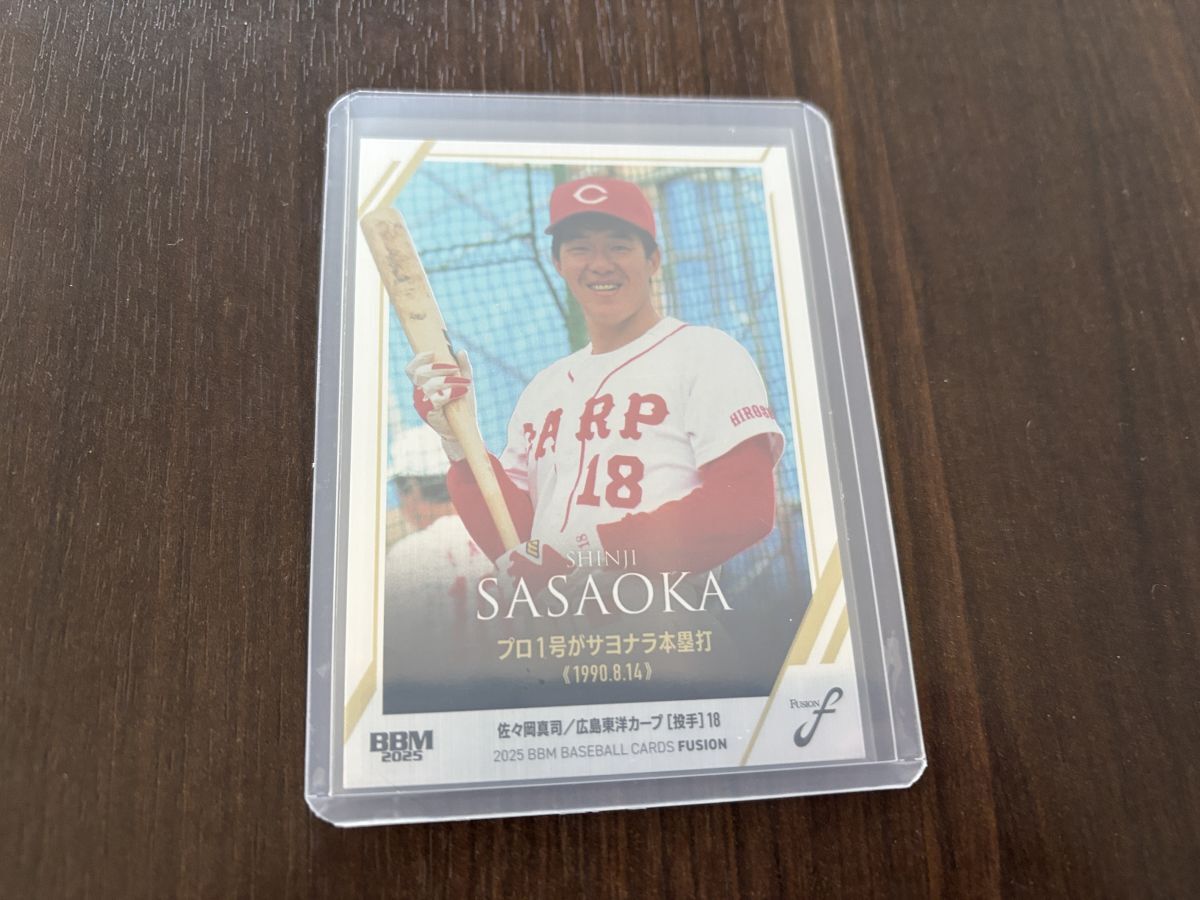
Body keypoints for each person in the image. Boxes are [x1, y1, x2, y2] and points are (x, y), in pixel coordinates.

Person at [406, 176, 784, 599]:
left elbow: (744, 506)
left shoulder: (705, 353)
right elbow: (516, 540)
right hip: (556, 628)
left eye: (619, 246)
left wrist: (584, 552)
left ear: (653, 259)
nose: (600, 264)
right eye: (580, 248)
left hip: (660, 618)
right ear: (558, 262)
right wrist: (460, 442)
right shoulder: (543, 390)